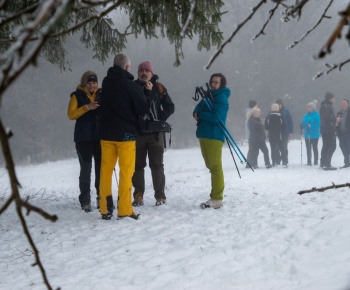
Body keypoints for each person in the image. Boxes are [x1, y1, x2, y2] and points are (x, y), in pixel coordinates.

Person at [99, 54, 149, 220]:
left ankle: (105, 209)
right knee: (126, 173)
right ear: (127, 68)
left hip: (106, 134)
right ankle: (125, 209)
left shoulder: (105, 83)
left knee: (105, 171)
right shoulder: (129, 85)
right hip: (126, 135)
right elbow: (142, 107)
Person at [132, 61, 175, 207]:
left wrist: (159, 120)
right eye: (141, 70)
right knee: (137, 166)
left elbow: (170, 106)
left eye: (147, 70)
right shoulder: (132, 87)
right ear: (137, 73)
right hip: (137, 134)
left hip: (156, 134)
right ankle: (138, 196)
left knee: (157, 165)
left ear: (151, 72)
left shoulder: (158, 87)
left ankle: (160, 196)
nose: (144, 73)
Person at [193, 73, 230, 209]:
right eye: (212, 82)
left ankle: (217, 198)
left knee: (215, 167)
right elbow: (197, 108)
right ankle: (215, 196)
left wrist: (200, 115)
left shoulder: (222, 98)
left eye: (216, 82)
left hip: (214, 136)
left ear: (221, 84)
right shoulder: (208, 96)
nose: (213, 84)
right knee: (210, 166)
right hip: (203, 134)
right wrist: (197, 113)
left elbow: (215, 117)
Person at [67, 71, 101, 213]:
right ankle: (85, 200)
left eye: (94, 83)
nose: (92, 86)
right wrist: (87, 107)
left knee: (101, 169)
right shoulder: (77, 95)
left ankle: (102, 197)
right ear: (83, 83)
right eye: (89, 83)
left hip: (100, 137)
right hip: (83, 138)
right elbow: (71, 114)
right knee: (86, 169)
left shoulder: (101, 94)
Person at [320, 92, 337, 170]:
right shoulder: (327, 106)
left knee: (326, 146)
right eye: (333, 98)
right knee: (332, 146)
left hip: (325, 129)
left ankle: (323, 163)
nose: (334, 99)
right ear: (330, 98)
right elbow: (326, 118)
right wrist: (335, 119)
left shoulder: (324, 105)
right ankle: (327, 164)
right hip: (328, 129)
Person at [301, 100, 320, 166]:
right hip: (307, 135)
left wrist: (311, 126)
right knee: (308, 149)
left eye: (309, 107)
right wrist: (301, 125)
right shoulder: (306, 115)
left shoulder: (316, 115)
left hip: (314, 135)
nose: (307, 108)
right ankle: (309, 161)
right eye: (307, 107)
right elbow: (303, 122)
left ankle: (315, 161)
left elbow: (318, 125)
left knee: (315, 148)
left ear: (312, 108)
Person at [276, 98, 293, 168]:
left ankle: (285, 161)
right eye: (277, 104)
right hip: (277, 133)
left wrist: (290, 131)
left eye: (279, 104)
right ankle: (278, 160)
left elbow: (290, 121)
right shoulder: (274, 111)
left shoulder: (286, 110)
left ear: (281, 104)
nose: (278, 105)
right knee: (277, 147)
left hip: (285, 132)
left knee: (284, 147)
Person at [336, 99, 350, 168]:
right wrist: (337, 122)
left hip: (348, 133)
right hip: (341, 133)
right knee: (343, 147)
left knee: (349, 147)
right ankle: (346, 163)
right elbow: (336, 124)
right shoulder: (339, 113)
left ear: (347, 104)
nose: (343, 104)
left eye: (344, 102)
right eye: (342, 102)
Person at [245, 100, 258, 168]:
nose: (257, 107)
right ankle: (249, 163)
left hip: (251, 133)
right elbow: (252, 123)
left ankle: (251, 163)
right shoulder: (249, 113)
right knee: (252, 149)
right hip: (251, 134)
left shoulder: (249, 112)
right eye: (256, 105)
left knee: (252, 148)